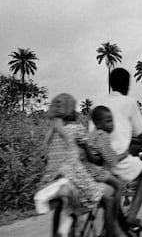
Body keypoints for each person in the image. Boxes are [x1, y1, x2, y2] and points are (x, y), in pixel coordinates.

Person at [90, 68, 142, 231]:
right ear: (127, 84)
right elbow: (141, 135)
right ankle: (132, 216)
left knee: (114, 185)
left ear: (111, 84)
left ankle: (114, 223)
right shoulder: (129, 102)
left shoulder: (97, 102)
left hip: (96, 158)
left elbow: (94, 131)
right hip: (115, 158)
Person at [34, 93, 104, 236]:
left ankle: (62, 231)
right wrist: (97, 159)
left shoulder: (52, 132)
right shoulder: (77, 128)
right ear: (72, 111)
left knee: (71, 204)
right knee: (91, 197)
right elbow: (89, 153)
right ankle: (64, 228)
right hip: (72, 173)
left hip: (53, 175)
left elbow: (45, 156)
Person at [80, 105, 127, 237]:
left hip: (85, 168)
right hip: (93, 170)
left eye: (112, 120)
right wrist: (124, 155)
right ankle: (113, 220)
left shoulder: (93, 134)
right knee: (118, 185)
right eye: (108, 121)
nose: (112, 124)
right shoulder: (102, 135)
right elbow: (110, 159)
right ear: (98, 123)